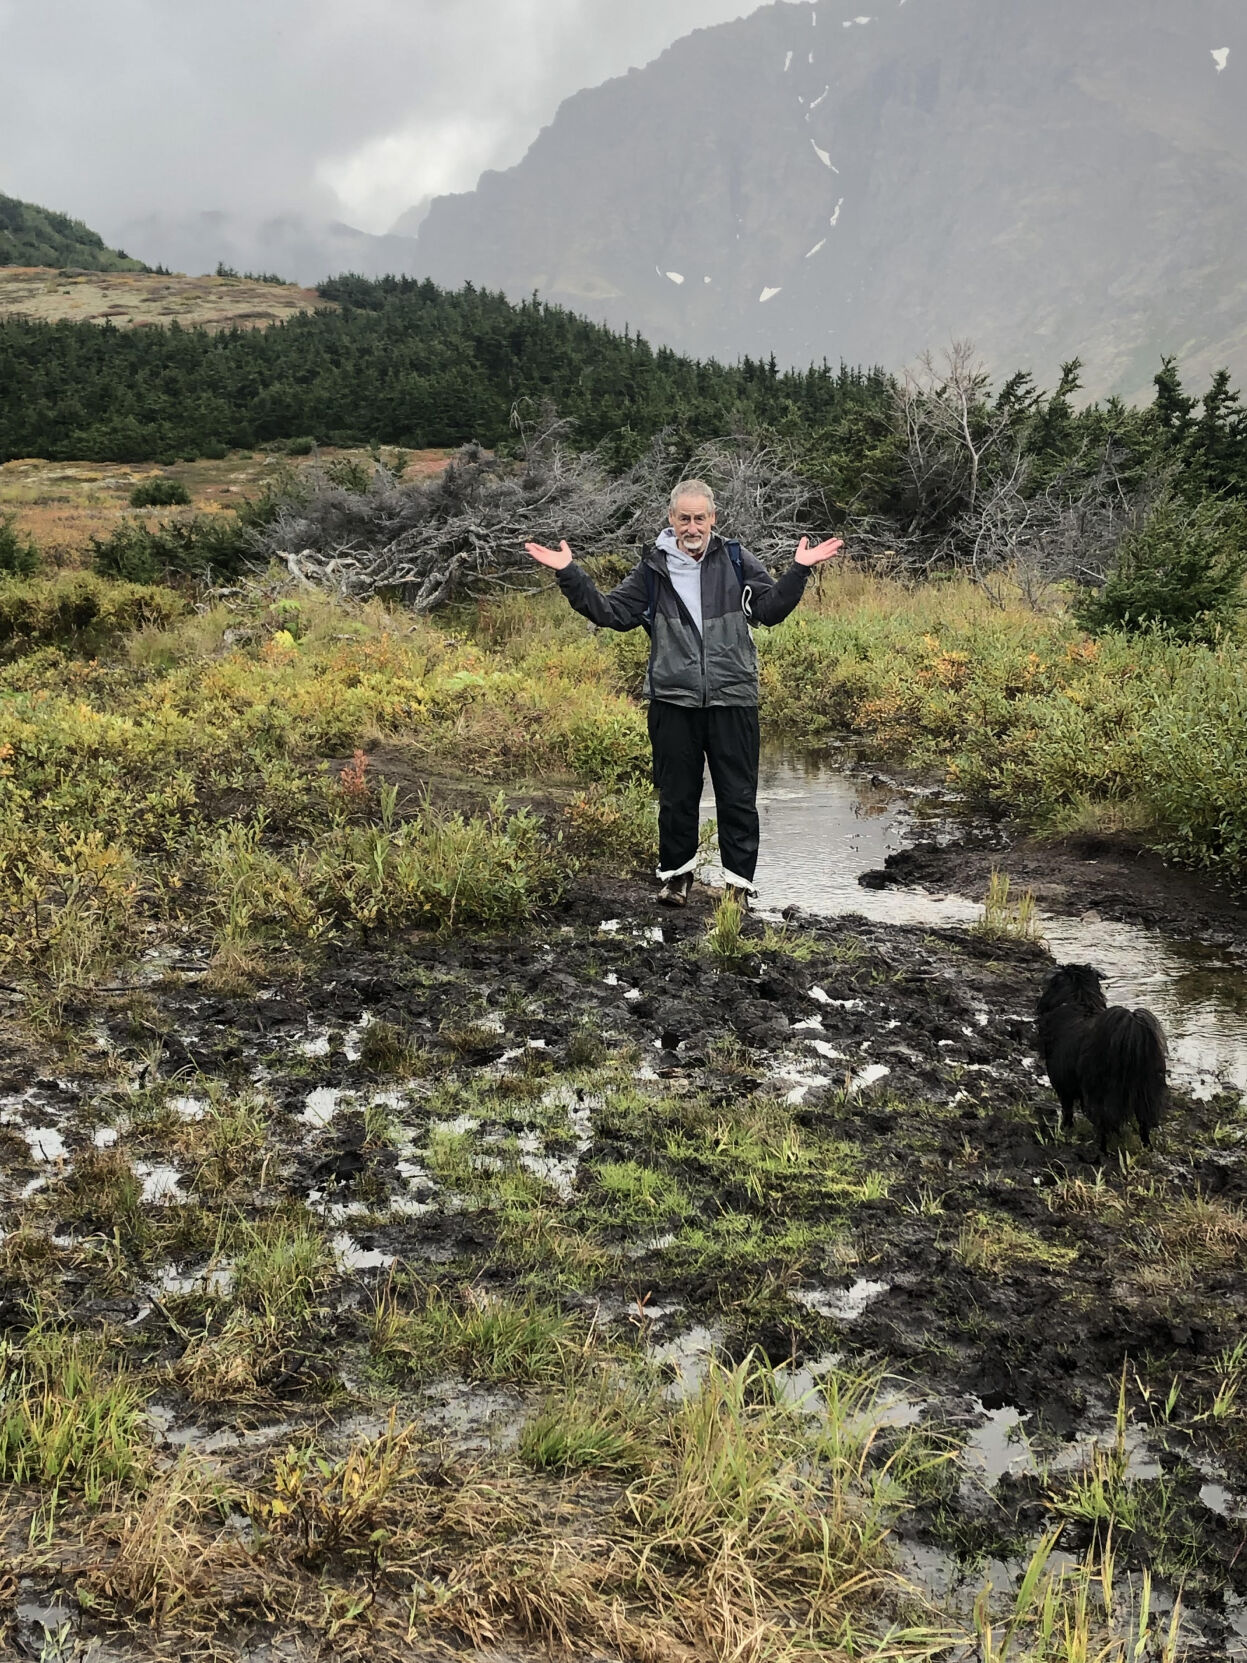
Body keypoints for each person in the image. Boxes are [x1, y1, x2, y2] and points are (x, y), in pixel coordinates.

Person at [525, 480, 842, 908]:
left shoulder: (735, 560)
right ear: (671, 519)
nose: (692, 527)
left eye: (700, 518)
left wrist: (799, 569)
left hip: (733, 697)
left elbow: (769, 611)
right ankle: (677, 878)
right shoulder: (652, 570)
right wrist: (570, 574)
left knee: (738, 797)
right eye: (684, 518)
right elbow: (611, 613)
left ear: (713, 519)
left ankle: (737, 888)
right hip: (672, 699)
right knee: (676, 795)